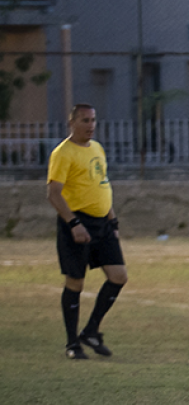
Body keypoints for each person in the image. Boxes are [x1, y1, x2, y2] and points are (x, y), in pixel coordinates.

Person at [46, 103, 127, 360]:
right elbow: (54, 193)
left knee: (119, 276)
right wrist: (73, 223)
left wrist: (113, 222)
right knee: (75, 282)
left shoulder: (97, 148)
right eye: (84, 120)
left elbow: (102, 185)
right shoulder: (63, 153)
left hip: (103, 224)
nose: (90, 125)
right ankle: (72, 344)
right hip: (77, 224)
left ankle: (91, 331)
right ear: (72, 123)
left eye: (93, 120)